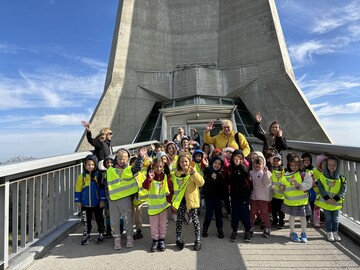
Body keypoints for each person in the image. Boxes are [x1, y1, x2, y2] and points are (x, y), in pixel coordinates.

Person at [104, 147, 146, 250]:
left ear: (127, 159)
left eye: (124, 159)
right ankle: (117, 239)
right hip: (113, 200)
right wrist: (107, 196)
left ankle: (129, 237)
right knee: (114, 221)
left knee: (127, 219)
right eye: (120, 159)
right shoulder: (110, 171)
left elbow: (137, 168)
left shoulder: (128, 170)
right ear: (116, 159)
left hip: (125, 199)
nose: (122, 161)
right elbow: (106, 184)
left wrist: (140, 157)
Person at [171, 152, 204, 251]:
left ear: (189, 161)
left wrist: (194, 174)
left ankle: (197, 240)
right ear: (179, 163)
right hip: (180, 200)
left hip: (191, 200)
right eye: (182, 162)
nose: (184, 164)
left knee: (195, 220)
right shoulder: (176, 173)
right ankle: (178, 238)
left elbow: (201, 183)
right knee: (179, 220)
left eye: (186, 161)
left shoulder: (193, 171)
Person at [279, 155, 312, 243]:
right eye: (292, 165)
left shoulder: (303, 174)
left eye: (296, 165)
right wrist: (281, 187)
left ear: (300, 165)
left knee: (303, 217)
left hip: (301, 201)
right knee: (292, 217)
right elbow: (283, 183)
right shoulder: (286, 174)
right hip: (290, 201)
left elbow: (308, 185)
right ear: (289, 165)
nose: (294, 167)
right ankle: (292, 232)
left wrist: (299, 185)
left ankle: (304, 233)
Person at [143, 158, 173, 252]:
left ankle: (162, 240)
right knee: (154, 225)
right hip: (153, 207)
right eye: (156, 167)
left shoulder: (165, 176)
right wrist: (149, 179)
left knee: (163, 225)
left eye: (160, 166)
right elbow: (145, 186)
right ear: (153, 167)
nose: (158, 169)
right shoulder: (150, 176)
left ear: (163, 167)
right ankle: (155, 240)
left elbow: (169, 190)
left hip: (163, 206)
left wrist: (170, 202)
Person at [75, 155, 105, 245]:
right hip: (85, 203)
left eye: (92, 164)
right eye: (88, 164)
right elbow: (78, 189)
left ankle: (101, 233)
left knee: (99, 219)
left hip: (97, 203)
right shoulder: (82, 177)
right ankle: (86, 234)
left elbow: (102, 189)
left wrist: (102, 200)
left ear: (95, 165)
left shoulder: (99, 176)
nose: (90, 166)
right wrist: (78, 201)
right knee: (86, 220)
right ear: (85, 165)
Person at [315, 156, 347, 242]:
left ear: (337, 166)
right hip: (326, 202)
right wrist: (327, 198)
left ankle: (335, 232)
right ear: (326, 165)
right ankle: (329, 232)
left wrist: (335, 199)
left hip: (335, 203)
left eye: (334, 165)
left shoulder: (341, 178)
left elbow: (343, 190)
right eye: (329, 165)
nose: (331, 167)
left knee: (336, 218)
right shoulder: (322, 177)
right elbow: (321, 188)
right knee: (328, 218)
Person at [226, 149, 253, 243]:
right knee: (235, 214)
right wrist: (234, 168)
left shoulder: (245, 167)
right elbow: (229, 181)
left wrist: (240, 166)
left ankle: (247, 230)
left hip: (244, 195)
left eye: (240, 157)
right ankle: (234, 230)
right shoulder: (230, 168)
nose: (237, 159)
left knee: (245, 213)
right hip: (234, 195)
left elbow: (247, 175)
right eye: (235, 157)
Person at [201, 156, 224, 239]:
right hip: (208, 197)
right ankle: (205, 228)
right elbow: (207, 170)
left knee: (218, 214)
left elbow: (221, 187)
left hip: (217, 197)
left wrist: (215, 178)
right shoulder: (208, 172)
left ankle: (220, 229)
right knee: (209, 214)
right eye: (215, 163)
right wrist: (207, 166)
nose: (217, 165)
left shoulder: (221, 175)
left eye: (219, 164)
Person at [249, 156, 272, 238]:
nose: (257, 165)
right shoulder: (251, 173)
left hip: (263, 197)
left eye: (259, 164)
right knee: (252, 212)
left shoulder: (266, 173)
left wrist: (266, 173)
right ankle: (250, 226)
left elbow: (267, 182)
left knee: (264, 213)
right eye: (255, 163)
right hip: (253, 196)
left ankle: (267, 228)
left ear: (263, 165)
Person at [271, 153, 285, 229]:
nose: (276, 162)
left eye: (278, 160)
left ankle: (281, 221)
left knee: (281, 210)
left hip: (282, 195)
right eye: (274, 160)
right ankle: (275, 220)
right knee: (274, 209)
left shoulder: (283, 170)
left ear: (281, 161)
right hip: (273, 194)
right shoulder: (271, 169)